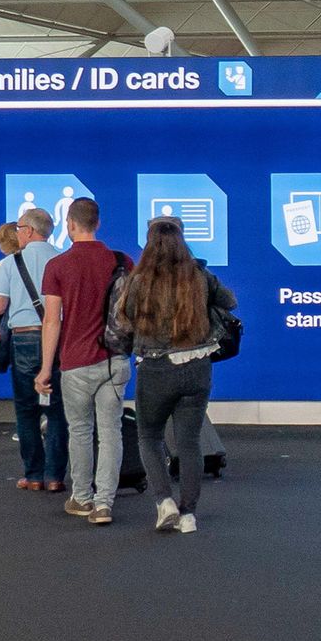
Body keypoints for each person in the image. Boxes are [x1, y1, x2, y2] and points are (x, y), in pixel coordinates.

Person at [118, 216, 236, 535]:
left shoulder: (139, 280)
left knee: (149, 436)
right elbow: (230, 301)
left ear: (148, 242)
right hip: (197, 367)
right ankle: (189, 514)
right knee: (189, 443)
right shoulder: (200, 275)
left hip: (155, 369)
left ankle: (164, 502)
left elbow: (123, 319)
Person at [36, 198, 129, 526]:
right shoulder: (121, 261)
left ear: (69, 224)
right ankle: (105, 503)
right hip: (115, 359)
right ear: (98, 223)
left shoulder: (58, 266)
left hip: (75, 362)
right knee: (111, 430)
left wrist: (46, 368)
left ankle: (82, 498)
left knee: (80, 431)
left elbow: (51, 321)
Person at [0, 209, 67, 492]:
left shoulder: (10, 264)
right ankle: (56, 476)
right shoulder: (63, 260)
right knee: (58, 411)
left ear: (30, 231)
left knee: (26, 410)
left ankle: (33, 475)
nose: (17, 232)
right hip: (60, 338)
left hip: (24, 339)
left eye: (20, 228)